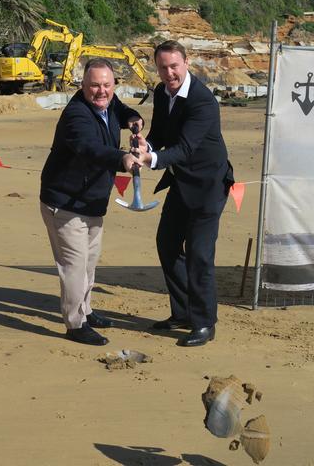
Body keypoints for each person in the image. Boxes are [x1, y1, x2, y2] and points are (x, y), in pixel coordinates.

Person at [133, 40, 233, 347]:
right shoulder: (162, 93)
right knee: (167, 244)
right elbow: (161, 134)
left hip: (208, 186)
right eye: (163, 67)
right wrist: (144, 145)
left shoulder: (203, 101)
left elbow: (186, 148)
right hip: (180, 182)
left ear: (187, 63)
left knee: (200, 256)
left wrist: (151, 160)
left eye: (174, 66)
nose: (169, 73)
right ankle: (183, 313)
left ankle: (204, 323)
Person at [40, 58, 143, 346]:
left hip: (93, 202)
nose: (101, 91)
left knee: (89, 264)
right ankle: (75, 324)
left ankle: (86, 310)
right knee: (73, 265)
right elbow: (91, 148)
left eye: (107, 85)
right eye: (94, 85)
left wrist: (134, 118)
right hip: (65, 202)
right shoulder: (76, 115)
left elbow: (120, 109)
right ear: (82, 86)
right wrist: (122, 157)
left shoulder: (108, 102)